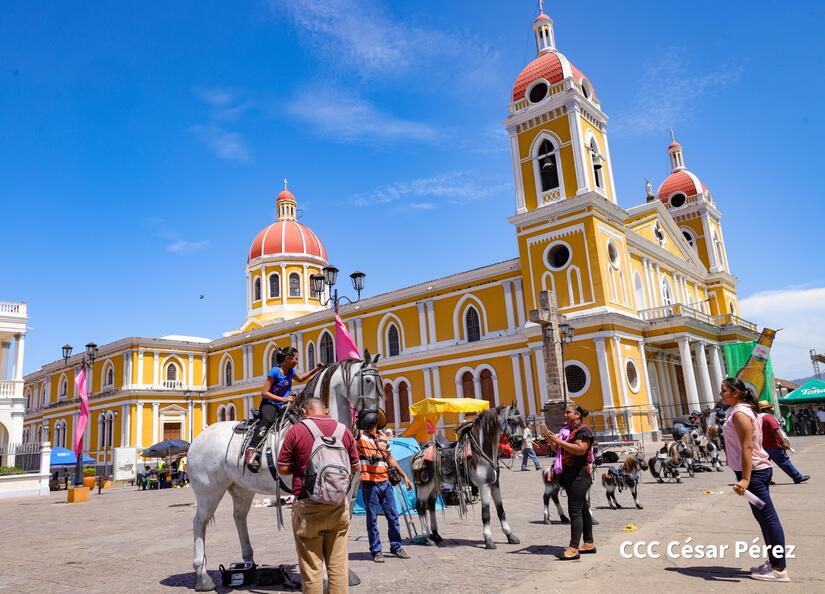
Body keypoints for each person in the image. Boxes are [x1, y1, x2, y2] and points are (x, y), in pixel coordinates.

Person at [277, 397, 359, 594]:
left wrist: (301, 468)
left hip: (308, 506)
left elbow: (282, 467)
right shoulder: (344, 431)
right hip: (338, 507)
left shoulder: (296, 431)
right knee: (338, 567)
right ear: (326, 410)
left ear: (305, 412)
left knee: (312, 569)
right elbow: (355, 466)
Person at [721, 378, 789, 582]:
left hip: (754, 473)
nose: (721, 394)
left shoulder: (740, 414)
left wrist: (745, 479)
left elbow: (747, 447)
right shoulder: (740, 411)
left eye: (724, 390)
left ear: (736, 393)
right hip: (754, 472)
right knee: (764, 519)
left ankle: (779, 569)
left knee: (768, 519)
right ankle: (774, 562)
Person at [245, 346, 324, 471]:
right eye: (296, 359)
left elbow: (301, 378)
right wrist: (283, 399)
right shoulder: (275, 371)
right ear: (288, 358)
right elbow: (264, 392)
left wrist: (316, 369)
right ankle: (251, 449)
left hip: (285, 405)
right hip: (270, 404)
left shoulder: (291, 372)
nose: (297, 361)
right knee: (268, 420)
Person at [356, 410, 412, 563]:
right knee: (372, 519)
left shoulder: (382, 437)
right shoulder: (360, 436)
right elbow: (352, 428)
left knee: (393, 516)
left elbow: (390, 459)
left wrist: (404, 476)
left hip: (385, 483)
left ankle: (396, 546)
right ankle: (376, 550)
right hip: (370, 484)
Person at [542, 404, 596, 560]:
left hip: (580, 476)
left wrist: (559, 441)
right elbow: (560, 450)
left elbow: (580, 450)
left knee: (575, 511)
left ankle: (573, 548)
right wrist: (551, 440)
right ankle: (588, 543)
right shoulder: (567, 431)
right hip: (569, 475)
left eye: (568, 413)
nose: (565, 415)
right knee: (583, 510)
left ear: (578, 414)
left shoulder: (584, 431)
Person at [758, 401, 810, 484]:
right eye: (770, 408)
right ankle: (797, 477)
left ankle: (766, 480)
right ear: (767, 409)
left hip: (762, 446)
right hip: (774, 444)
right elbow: (776, 430)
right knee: (784, 462)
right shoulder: (768, 417)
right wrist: (783, 442)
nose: (771, 410)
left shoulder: (757, 418)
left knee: (765, 464)